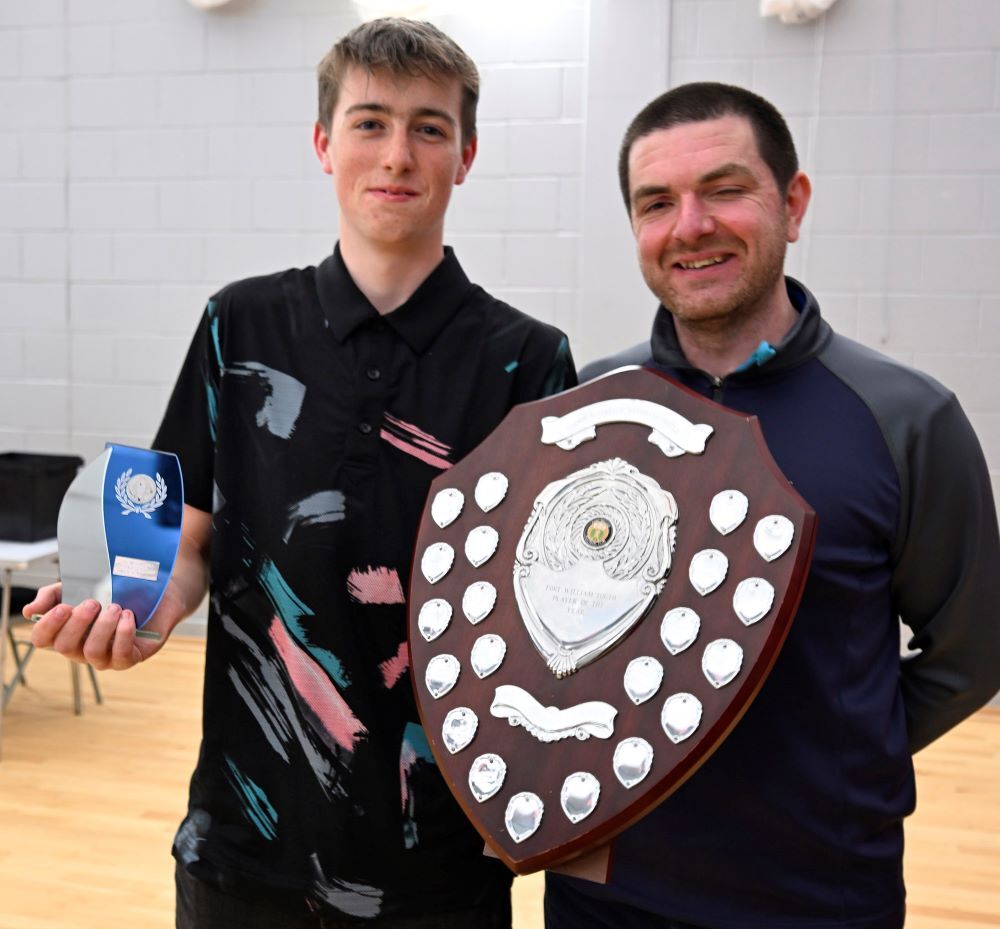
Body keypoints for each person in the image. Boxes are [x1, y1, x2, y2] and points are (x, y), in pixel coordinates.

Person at [27, 18, 575, 929]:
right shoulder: (237, 327)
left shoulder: (528, 363)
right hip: (244, 848)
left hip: (439, 862)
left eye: (429, 127)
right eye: (370, 122)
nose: (397, 153)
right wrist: (158, 603)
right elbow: (189, 530)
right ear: (324, 144)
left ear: (466, 155)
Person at [545, 82, 1000, 929]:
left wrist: (838, 757)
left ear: (793, 203)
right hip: (606, 894)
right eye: (657, 203)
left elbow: (972, 649)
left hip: (818, 897)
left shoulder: (906, 416)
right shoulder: (582, 411)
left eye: (724, 189)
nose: (691, 225)